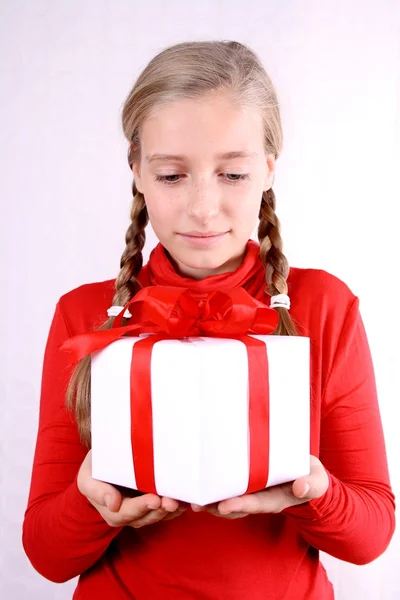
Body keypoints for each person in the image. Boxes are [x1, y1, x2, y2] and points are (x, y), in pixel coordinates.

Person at [22, 40, 395, 600]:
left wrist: (312, 492)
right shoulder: (86, 314)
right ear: (137, 170)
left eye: (233, 174)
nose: (202, 208)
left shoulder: (324, 305)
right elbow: (46, 555)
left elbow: (371, 535)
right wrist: (92, 503)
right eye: (172, 176)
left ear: (269, 168)